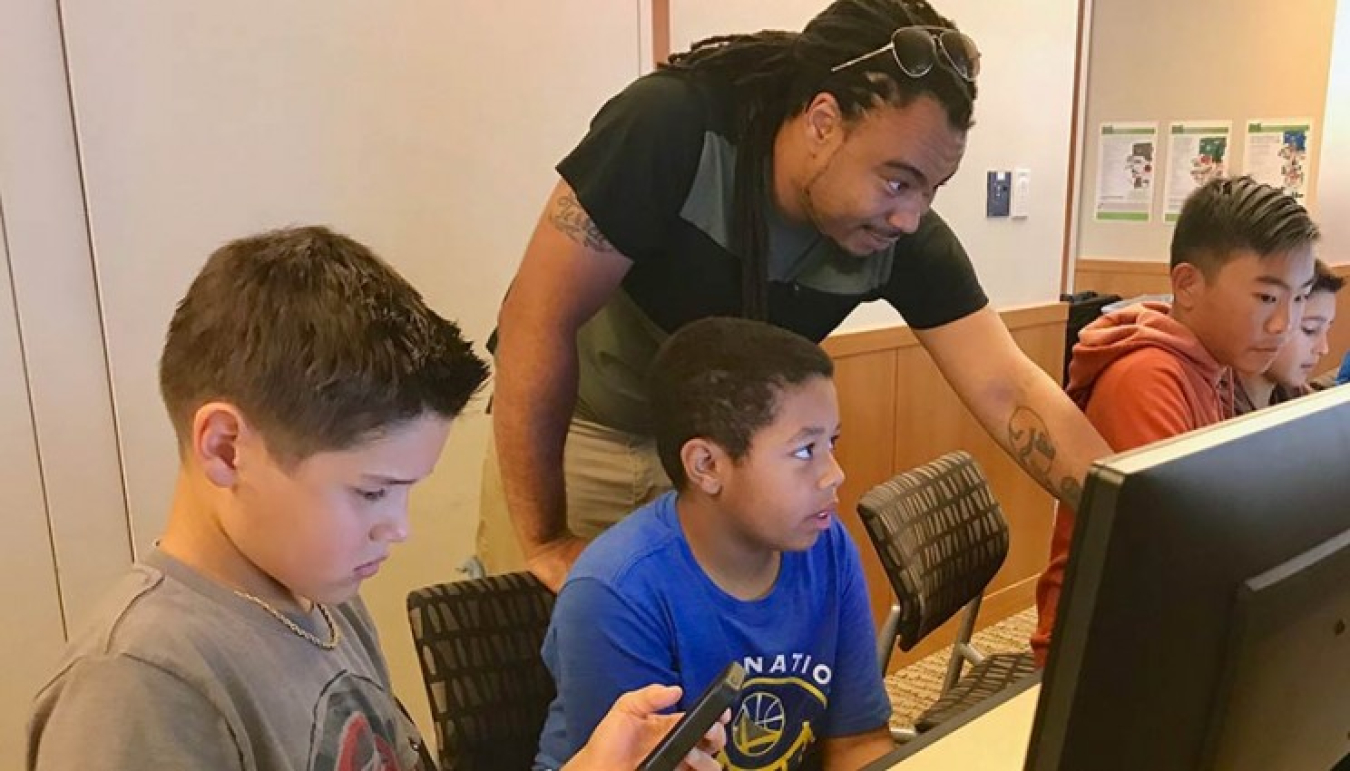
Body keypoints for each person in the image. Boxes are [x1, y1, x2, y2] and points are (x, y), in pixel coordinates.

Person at [26, 227, 725, 771]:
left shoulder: (320, 597)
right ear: (225, 449)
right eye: (371, 492)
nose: (397, 528)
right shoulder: (140, 683)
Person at [483, 0, 1112, 591]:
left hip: (732, 467)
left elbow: (1008, 386)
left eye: (933, 189)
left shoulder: (897, 238)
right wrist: (544, 540)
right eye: (898, 181)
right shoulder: (672, 129)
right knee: (559, 680)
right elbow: (537, 318)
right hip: (590, 434)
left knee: (707, 687)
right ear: (822, 121)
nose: (910, 218)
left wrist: (1133, 511)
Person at [535, 317, 894, 771]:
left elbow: (859, 740)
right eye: (805, 451)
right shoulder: (616, 595)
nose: (834, 473)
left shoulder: (824, 543)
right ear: (706, 464)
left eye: (832, 443)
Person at [1031, 177, 1320, 666]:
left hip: (1169, 622)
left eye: (1299, 299)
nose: (1284, 325)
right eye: (1268, 298)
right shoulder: (1147, 377)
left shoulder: (1217, 363)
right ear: (1187, 285)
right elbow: (1176, 555)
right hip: (1101, 647)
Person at [1234, 259, 1344, 413]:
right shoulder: (1220, 413)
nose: (1323, 349)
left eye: (1327, 329)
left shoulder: (1289, 389)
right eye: (1310, 329)